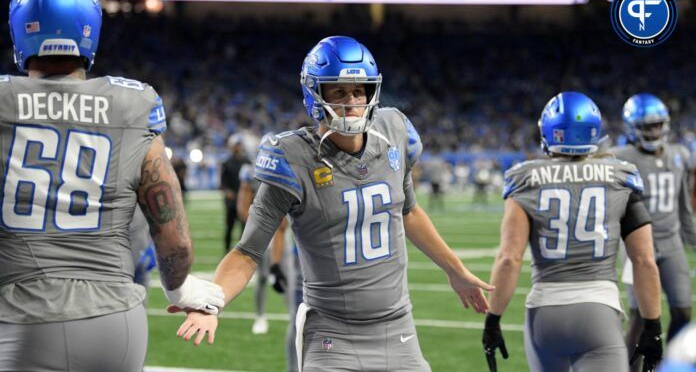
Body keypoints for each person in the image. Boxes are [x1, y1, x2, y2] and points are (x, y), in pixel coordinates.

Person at [174, 36, 492, 371]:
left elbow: (409, 212)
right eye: (338, 92)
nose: (351, 102)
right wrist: (211, 303)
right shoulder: (294, 157)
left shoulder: (394, 130)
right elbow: (248, 251)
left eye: (359, 91)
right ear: (315, 94)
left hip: (398, 329)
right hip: (332, 337)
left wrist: (456, 272)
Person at [0, 0, 224, 370]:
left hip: (24, 317)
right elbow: (174, 238)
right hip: (117, 324)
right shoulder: (133, 103)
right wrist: (179, 288)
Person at [482, 92, 663, 372]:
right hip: (598, 310)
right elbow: (644, 261)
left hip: (545, 312)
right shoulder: (621, 177)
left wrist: (493, 319)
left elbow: (509, 258)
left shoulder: (525, 179)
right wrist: (653, 325)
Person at [610, 94, 696, 359]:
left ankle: (669, 363)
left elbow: (683, 207)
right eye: (647, 126)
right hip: (637, 248)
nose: (653, 131)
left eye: (657, 124)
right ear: (632, 128)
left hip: (671, 244)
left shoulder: (680, 155)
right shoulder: (620, 158)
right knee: (641, 316)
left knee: (682, 310)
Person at [235, 133, 289, 335]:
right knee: (262, 277)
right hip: (262, 229)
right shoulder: (250, 172)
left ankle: (294, 316)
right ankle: (260, 316)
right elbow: (242, 210)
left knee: (288, 276)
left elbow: (285, 220)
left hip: (280, 231)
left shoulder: (286, 171)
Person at [220, 134, 251, 252]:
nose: (238, 147)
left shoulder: (247, 162)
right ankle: (226, 251)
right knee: (229, 227)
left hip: (244, 199)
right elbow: (222, 182)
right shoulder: (226, 163)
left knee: (244, 227)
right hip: (231, 201)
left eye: (239, 145)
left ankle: (242, 251)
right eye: (236, 145)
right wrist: (227, 191)